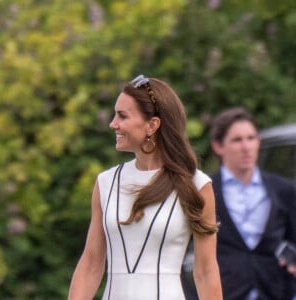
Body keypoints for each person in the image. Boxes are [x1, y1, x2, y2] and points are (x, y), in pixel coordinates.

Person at [67, 75, 223, 300]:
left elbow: (206, 272)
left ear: (152, 125)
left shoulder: (197, 185)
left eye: (122, 116)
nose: (113, 124)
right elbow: (91, 265)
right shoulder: (106, 183)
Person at [181, 107, 296, 300]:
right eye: (237, 140)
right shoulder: (203, 190)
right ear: (218, 146)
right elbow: (179, 254)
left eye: (251, 138)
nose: (246, 147)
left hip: (275, 292)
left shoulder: (283, 190)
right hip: (225, 293)